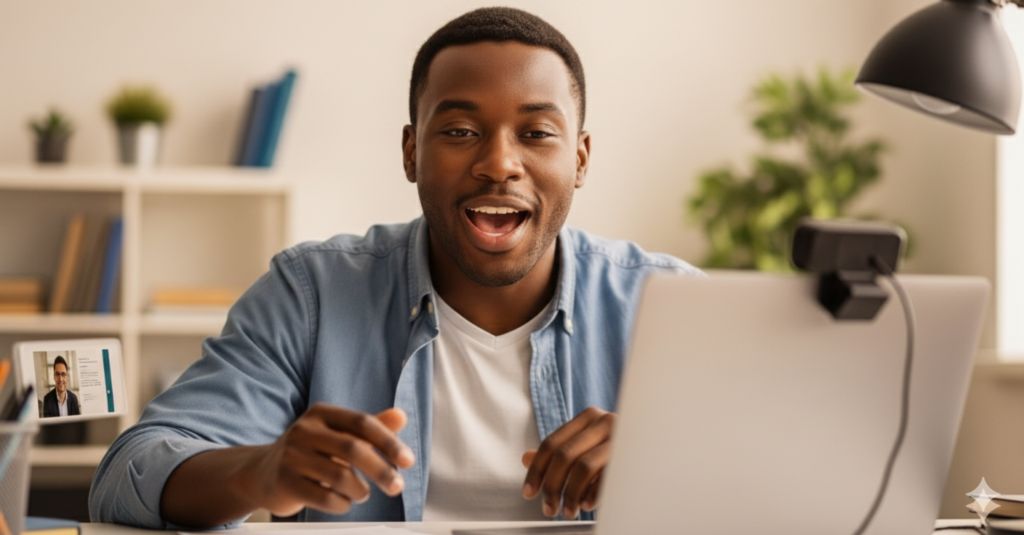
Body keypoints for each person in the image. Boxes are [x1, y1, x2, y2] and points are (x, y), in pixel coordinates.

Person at [89, 6, 701, 529]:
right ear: (412, 152)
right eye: (461, 130)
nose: (498, 163)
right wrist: (260, 470)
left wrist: (671, 463)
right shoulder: (313, 293)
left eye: (537, 133)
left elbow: (786, 478)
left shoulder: (673, 304)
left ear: (581, 158)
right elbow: (127, 473)